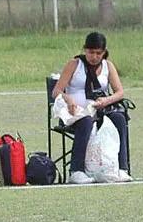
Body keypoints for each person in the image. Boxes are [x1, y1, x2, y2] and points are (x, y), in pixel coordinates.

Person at [51, 32, 132, 184]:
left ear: (104, 52)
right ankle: (76, 170)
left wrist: (106, 100)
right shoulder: (74, 64)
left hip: (100, 110)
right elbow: (56, 91)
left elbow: (120, 92)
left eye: (98, 53)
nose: (94, 57)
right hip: (75, 113)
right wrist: (68, 99)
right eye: (90, 52)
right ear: (85, 50)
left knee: (119, 119)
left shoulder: (108, 66)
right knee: (86, 121)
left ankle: (121, 168)